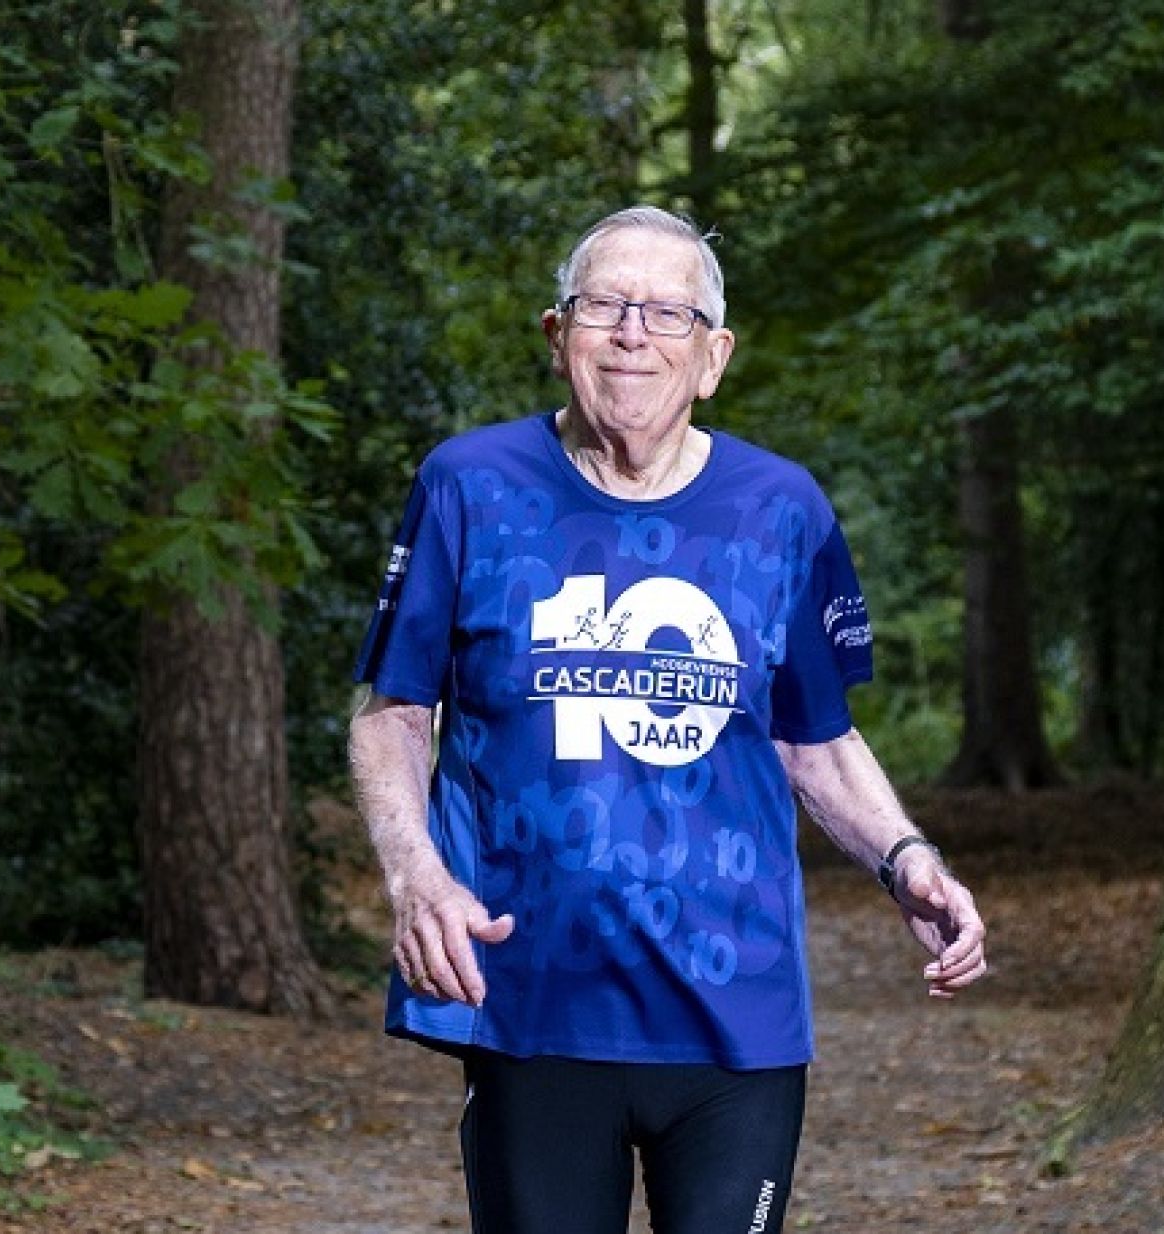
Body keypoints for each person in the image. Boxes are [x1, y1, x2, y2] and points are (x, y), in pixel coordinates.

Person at [348, 205, 988, 1234]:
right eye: (605, 304)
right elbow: (393, 713)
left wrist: (904, 856)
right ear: (559, 336)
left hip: (736, 1015)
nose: (635, 332)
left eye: (668, 312)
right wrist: (414, 875)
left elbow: (813, 736)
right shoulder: (467, 485)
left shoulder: (783, 510)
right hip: (531, 999)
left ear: (714, 356)